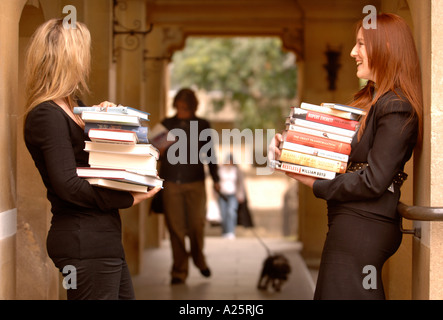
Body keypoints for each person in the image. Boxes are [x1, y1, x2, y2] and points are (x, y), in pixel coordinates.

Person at [270, 13, 422, 299]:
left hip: (365, 227)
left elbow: (374, 181)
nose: (353, 52)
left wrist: (312, 183)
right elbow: (340, 154)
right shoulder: (375, 100)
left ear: (386, 48)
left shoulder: (397, 106)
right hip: (354, 223)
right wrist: (290, 149)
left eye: (362, 45)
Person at [23, 19, 160, 300]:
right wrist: (128, 199)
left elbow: (101, 159)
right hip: (83, 239)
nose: (87, 60)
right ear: (70, 58)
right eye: (83, 52)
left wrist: (110, 121)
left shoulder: (76, 107)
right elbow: (68, 184)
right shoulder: (46, 114)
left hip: (100, 237)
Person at [159, 88, 220, 285]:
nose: (181, 110)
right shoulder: (166, 124)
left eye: (185, 107)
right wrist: (161, 145)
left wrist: (216, 179)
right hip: (170, 182)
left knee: (196, 225)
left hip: (195, 182)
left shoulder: (202, 125)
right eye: (178, 107)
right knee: (175, 228)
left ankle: (198, 258)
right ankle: (179, 271)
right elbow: (152, 151)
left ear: (193, 107)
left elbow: (210, 154)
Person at [217, 153, 246, 239]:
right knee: (223, 213)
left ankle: (230, 231)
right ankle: (225, 231)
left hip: (233, 195)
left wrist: (241, 195)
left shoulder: (236, 170)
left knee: (231, 212)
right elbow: (216, 183)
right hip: (222, 195)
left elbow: (241, 184)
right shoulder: (220, 170)